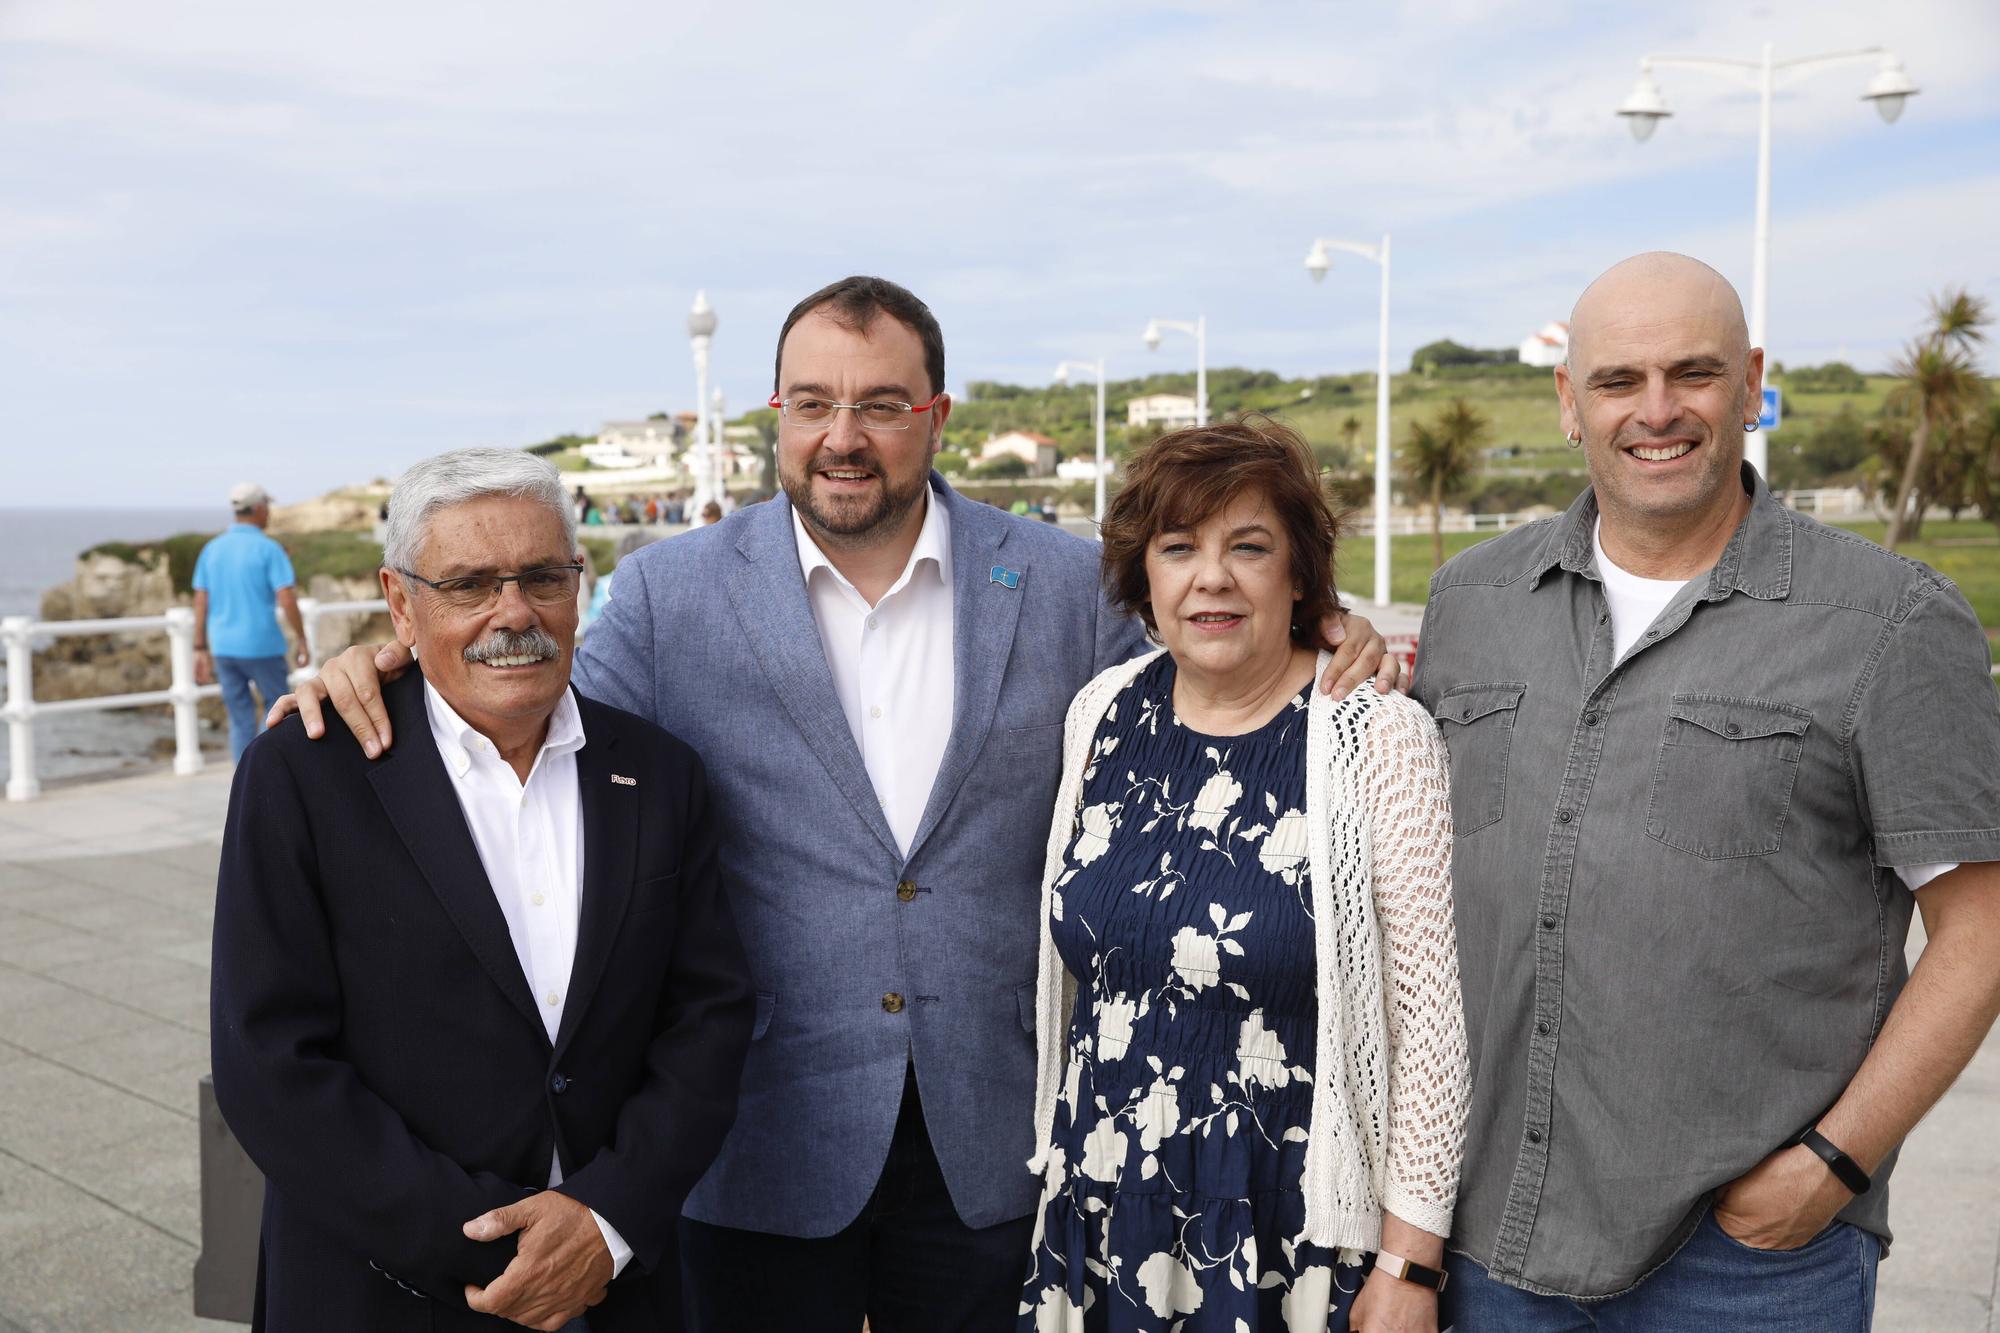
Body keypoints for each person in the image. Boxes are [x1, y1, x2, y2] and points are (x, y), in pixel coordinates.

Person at [271, 276, 1401, 1332]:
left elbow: (1208, 675)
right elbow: (520, 691)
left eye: (879, 403)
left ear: (937, 414)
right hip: (762, 1139)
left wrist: (1327, 636)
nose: (841, 435)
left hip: (998, 1133)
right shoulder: (671, 595)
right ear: (777, 412)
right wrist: (392, 658)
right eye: (811, 403)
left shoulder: (1060, 584)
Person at [1411, 252, 2000, 1329]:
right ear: (1566, 403)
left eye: (1690, 373)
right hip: (1491, 1242)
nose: (1654, 411)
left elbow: (1979, 927)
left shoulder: (1889, 622)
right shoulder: (1469, 604)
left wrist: (1834, 1159)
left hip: (1744, 1268)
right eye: (1616, 380)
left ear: (1747, 384)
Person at [211, 448, 754, 1332]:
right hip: (380, 1291)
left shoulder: (661, 774)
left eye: (543, 576)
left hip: (617, 1289)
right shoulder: (302, 775)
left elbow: (710, 1017)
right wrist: (499, 1249)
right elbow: (267, 1063)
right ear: (400, 602)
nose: (514, 612)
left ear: (580, 587)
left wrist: (602, 1222)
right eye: (468, 585)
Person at [1021, 418, 1468, 1332]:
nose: (1211, 577)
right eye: (1178, 547)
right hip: (1105, 1201)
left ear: (1299, 575)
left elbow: (1430, 1024)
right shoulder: (1100, 716)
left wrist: (1408, 1264)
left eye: (1248, 548)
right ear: (1144, 575)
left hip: (1288, 1226)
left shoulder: (1375, 734)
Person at [192, 483, 309, 761]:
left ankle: (242, 778)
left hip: (223, 646)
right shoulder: (269, 549)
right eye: (267, 507)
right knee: (276, 710)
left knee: (239, 717)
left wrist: (199, 647)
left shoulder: (212, 549)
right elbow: (287, 599)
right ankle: (265, 774)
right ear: (258, 509)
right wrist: (302, 638)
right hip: (262, 645)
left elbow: (200, 601)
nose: (268, 512)